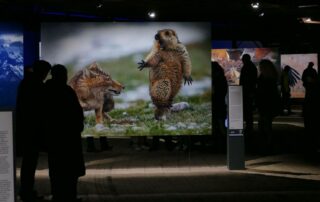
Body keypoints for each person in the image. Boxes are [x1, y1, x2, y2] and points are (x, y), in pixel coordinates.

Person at [44, 64, 85, 202]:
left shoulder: (46, 90)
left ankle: (58, 196)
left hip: (54, 137)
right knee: (70, 170)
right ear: (63, 75)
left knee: (56, 169)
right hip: (69, 137)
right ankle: (70, 196)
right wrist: (78, 127)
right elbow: (77, 113)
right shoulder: (67, 91)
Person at [16, 60, 51, 202]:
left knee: (28, 163)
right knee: (30, 163)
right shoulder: (36, 85)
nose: (46, 75)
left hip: (27, 128)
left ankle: (26, 190)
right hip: (32, 130)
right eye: (46, 73)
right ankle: (26, 191)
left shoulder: (26, 83)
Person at [256, 59, 281, 151]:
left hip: (266, 104)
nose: (259, 68)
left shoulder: (266, 78)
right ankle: (267, 142)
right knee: (266, 124)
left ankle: (268, 143)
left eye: (260, 66)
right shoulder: (270, 77)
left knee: (265, 125)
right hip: (267, 104)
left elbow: (265, 93)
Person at [301, 62, 318, 151]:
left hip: (309, 89)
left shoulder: (306, 71)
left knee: (308, 98)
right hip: (311, 89)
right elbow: (316, 79)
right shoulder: (313, 71)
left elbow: (303, 78)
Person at [239, 54, 257, 136]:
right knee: (248, 111)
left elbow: (246, 81)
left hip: (247, 92)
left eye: (243, 59)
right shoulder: (251, 66)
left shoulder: (248, 67)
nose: (242, 60)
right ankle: (249, 127)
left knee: (247, 111)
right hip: (248, 92)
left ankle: (249, 128)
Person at [212, 61, 228, 151]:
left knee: (216, 125)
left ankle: (218, 145)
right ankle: (224, 145)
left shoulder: (215, 79)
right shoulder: (223, 78)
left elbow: (214, 93)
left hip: (215, 105)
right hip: (220, 104)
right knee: (221, 125)